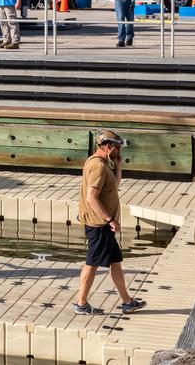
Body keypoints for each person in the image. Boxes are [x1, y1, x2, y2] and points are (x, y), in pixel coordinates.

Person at [72, 128, 146, 316]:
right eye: (117, 148)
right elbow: (91, 197)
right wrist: (110, 219)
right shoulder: (97, 166)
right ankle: (81, 303)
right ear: (107, 147)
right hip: (99, 225)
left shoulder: (105, 164)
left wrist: (119, 166)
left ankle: (127, 301)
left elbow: (113, 187)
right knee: (92, 263)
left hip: (102, 224)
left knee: (115, 262)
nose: (119, 151)